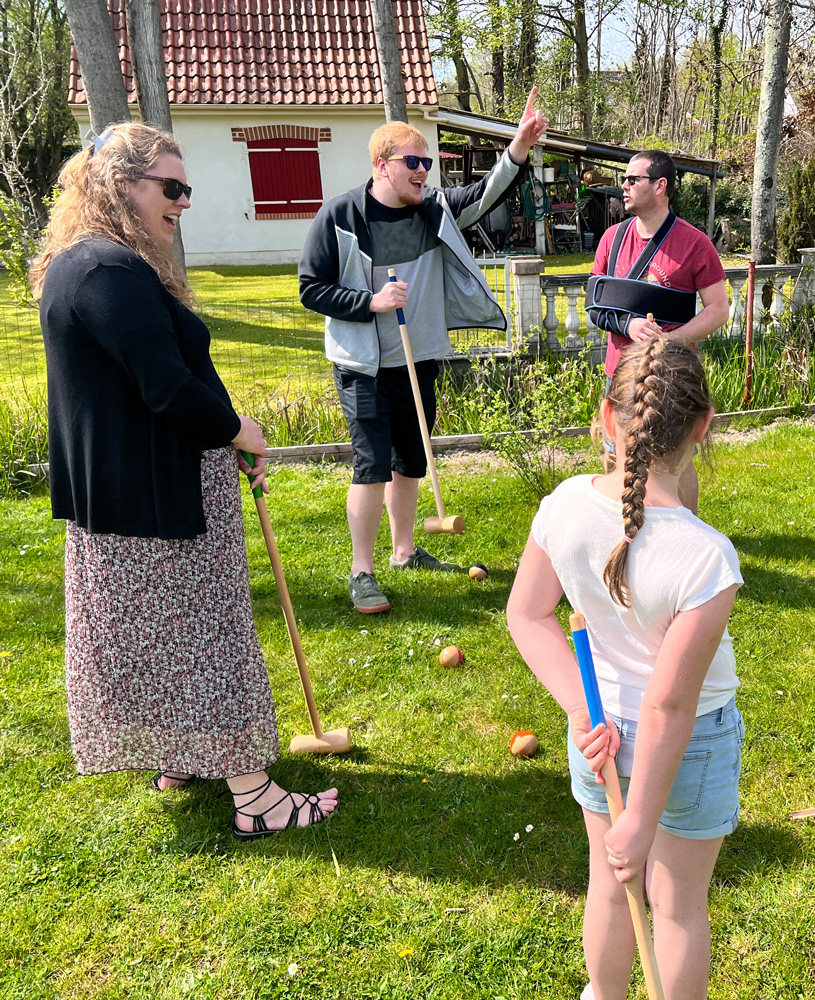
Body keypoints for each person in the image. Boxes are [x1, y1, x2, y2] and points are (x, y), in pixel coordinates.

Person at [32, 123, 338, 840]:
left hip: (128, 494)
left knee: (161, 639)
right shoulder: (107, 271)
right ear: (119, 185)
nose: (184, 201)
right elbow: (166, 387)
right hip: (157, 495)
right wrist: (238, 430)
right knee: (208, 637)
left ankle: (182, 754)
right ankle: (256, 797)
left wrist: (224, 431)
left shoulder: (88, 264)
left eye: (187, 187)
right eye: (171, 187)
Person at [507, 340, 744, 1000]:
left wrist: (582, 711)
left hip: (600, 733)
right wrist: (641, 816)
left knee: (611, 890)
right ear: (703, 426)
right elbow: (668, 705)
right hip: (689, 746)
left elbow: (527, 614)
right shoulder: (706, 558)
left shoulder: (562, 505)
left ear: (607, 418)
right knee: (676, 906)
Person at [300, 91, 547, 614]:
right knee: (371, 465)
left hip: (419, 358)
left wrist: (519, 147)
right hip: (363, 367)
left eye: (427, 163)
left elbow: (486, 194)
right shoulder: (340, 215)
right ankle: (361, 571)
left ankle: (405, 550)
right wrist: (370, 301)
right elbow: (310, 288)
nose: (422, 171)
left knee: (412, 459)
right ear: (381, 165)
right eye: (413, 162)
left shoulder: (434, 209)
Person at [586, 150, 730, 511]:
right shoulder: (612, 239)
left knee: (677, 463)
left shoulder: (694, 243)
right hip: (620, 374)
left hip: (672, 375)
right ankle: (621, 525)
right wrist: (628, 324)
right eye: (625, 179)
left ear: (660, 185)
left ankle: (688, 530)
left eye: (633, 179)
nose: (624, 185)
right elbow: (595, 306)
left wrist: (670, 340)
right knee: (615, 454)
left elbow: (718, 310)